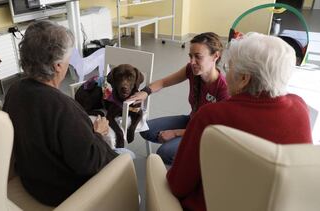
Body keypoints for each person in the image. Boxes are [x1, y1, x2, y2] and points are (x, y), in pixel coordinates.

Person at [167, 32, 312, 211]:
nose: (226, 74)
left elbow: (178, 186)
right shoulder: (300, 107)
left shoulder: (210, 116)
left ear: (244, 79)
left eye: (229, 67)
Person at [2, 20, 117, 206]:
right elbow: (91, 163)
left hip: (33, 180)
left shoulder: (14, 91)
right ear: (57, 66)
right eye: (68, 58)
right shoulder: (62, 107)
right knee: (127, 155)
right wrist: (98, 133)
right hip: (62, 191)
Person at [128, 32, 229, 164]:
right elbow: (164, 82)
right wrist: (145, 92)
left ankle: (195, 159)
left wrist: (176, 133)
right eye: (190, 56)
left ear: (215, 56)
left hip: (206, 134)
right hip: (192, 121)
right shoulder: (192, 71)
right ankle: (183, 149)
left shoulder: (224, 89)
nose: (192, 62)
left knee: (164, 153)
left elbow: (215, 131)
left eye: (198, 57)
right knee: (145, 129)